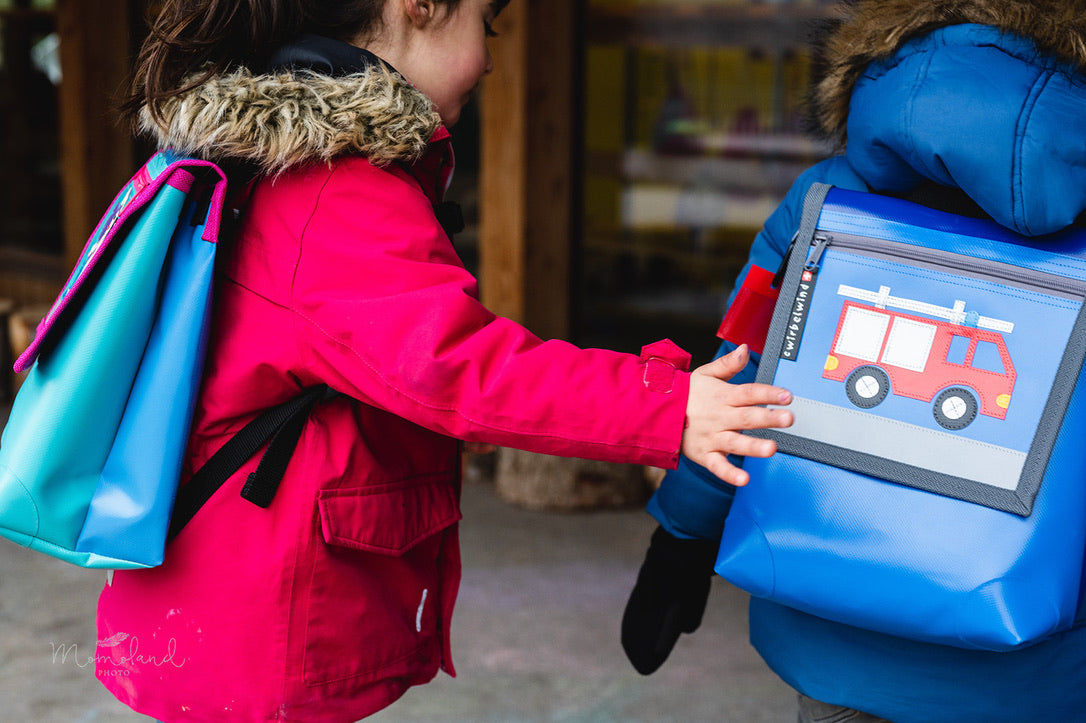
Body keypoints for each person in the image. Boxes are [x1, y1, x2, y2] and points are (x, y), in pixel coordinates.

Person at [92, 1, 795, 721]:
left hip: (216, 592)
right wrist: (664, 404)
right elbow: (456, 364)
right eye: (486, 24)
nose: (491, 60)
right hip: (259, 623)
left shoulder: (259, 159)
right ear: (419, 6)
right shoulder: (333, 186)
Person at [622, 1, 1086, 721]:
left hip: (831, 635)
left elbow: (740, 379)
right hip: (1044, 669)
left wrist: (680, 535)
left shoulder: (823, 199)